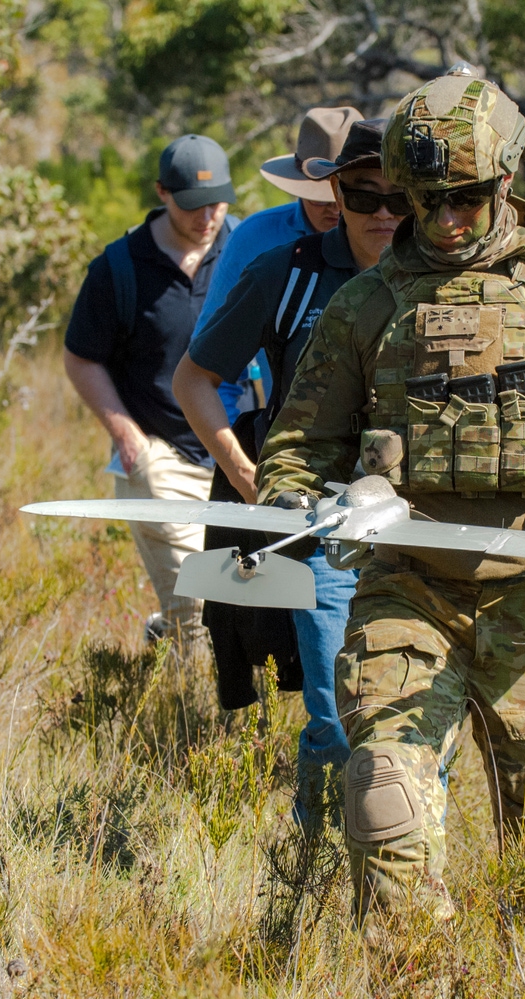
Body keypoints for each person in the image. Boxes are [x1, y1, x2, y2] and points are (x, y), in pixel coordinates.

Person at [256, 70, 525, 921]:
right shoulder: (365, 306)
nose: (446, 219)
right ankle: (415, 987)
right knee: (384, 810)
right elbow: (301, 443)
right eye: (426, 200)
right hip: (406, 592)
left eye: (465, 197)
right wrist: (290, 501)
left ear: (506, 183)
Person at [174, 119, 407, 824]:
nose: (383, 214)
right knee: (335, 712)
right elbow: (195, 378)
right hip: (322, 531)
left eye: (401, 198)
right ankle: (309, 861)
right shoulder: (288, 269)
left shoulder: (444, 279)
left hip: (422, 530)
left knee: (411, 726)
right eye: (364, 197)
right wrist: (251, 479)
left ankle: (397, 865)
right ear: (336, 191)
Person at [63, 134, 237, 655]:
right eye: (191, 205)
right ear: (162, 193)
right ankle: (190, 714)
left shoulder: (248, 248)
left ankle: (164, 633)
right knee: (200, 603)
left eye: (218, 201)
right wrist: (126, 435)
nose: (207, 216)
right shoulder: (119, 267)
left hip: (240, 454)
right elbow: (81, 357)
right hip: (162, 454)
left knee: (250, 595)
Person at [196, 107, 363, 422]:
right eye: (320, 199)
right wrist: (237, 452)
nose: (335, 210)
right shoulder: (255, 240)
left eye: (347, 196)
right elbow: (209, 365)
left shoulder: (390, 236)